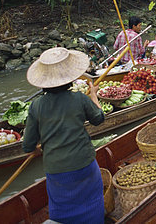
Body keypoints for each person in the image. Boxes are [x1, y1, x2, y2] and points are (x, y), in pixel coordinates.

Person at [23, 47, 105, 224]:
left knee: (62, 209)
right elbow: (98, 118)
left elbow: (28, 146)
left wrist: (39, 150)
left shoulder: (36, 106)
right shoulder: (79, 99)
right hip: (84, 163)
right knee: (92, 202)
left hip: (56, 169)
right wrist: (93, 95)